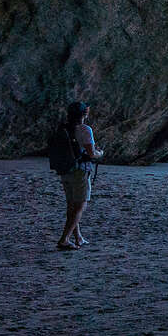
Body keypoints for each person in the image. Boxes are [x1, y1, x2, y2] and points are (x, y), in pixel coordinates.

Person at [54, 102, 102, 250]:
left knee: (72, 205)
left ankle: (78, 237)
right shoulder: (85, 129)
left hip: (65, 170)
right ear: (84, 114)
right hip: (80, 171)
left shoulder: (63, 128)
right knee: (80, 205)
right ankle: (64, 239)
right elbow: (91, 154)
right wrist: (100, 153)